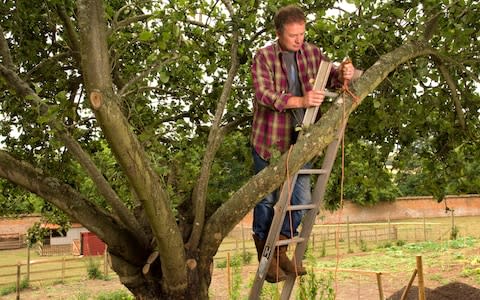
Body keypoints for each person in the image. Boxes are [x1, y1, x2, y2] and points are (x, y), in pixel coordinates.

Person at [250, 4, 356, 283]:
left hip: (302, 139)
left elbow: (331, 74)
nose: (299, 40)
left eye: (302, 34)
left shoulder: (311, 53)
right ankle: (266, 255)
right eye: (292, 35)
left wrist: (344, 71)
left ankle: (280, 252)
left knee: (302, 200)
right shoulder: (264, 57)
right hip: (270, 141)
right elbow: (264, 94)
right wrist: (300, 100)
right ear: (278, 33)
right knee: (267, 201)